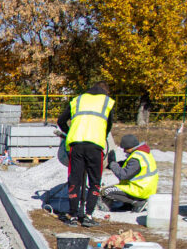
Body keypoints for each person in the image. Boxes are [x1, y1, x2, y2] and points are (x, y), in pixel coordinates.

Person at [57, 81, 114, 228]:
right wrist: (101, 135)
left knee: (75, 180)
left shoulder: (78, 100)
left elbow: (61, 120)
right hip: (95, 146)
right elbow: (108, 126)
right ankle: (88, 216)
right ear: (106, 91)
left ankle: (73, 215)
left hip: (76, 145)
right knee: (94, 181)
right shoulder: (107, 102)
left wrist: (70, 132)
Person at [101, 133, 159, 212]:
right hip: (146, 188)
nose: (124, 151)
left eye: (125, 148)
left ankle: (137, 202)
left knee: (106, 191)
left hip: (140, 190)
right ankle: (129, 204)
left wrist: (113, 164)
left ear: (131, 147)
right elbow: (128, 166)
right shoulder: (143, 153)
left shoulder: (136, 158)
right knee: (121, 188)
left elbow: (123, 175)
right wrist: (117, 164)